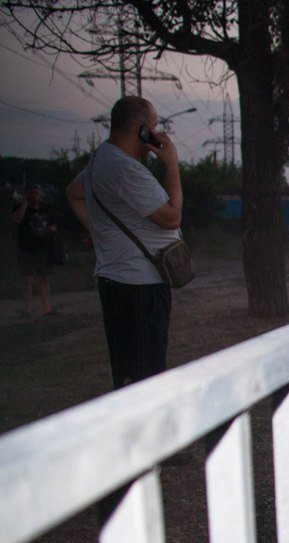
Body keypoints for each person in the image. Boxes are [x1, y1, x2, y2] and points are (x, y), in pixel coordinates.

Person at [66, 96, 183, 390]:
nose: (157, 136)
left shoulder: (100, 160)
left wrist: (100, 231)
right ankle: (146, 434)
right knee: (146, 377)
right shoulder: (125, 169)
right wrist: (171, 165)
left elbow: (73, 192)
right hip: (139, 287)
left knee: (128, 373)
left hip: (118, 283)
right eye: (154, 128)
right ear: (142, 130)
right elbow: (171, 217)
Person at [11, 183, 59, 317]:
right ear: (26, 195)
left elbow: (54, 226)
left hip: (43, 249)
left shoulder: (45, 209)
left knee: (44, 279)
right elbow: (16, 219)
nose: (34, 196)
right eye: (31, 193)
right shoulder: (20, 208)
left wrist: (50, 229)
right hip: (26, 249)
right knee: (27, 280)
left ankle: (46, 308)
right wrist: (25, 204)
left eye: (36, 193)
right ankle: (27, 310)